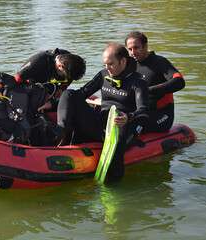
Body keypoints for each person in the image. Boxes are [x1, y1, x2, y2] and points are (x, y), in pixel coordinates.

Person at [57, 43, 149, 182]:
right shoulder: (103, 74)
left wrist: (128, 117)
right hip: (101, 123)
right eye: (105, 64)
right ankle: (62, 137)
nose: (107, 68)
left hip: (121, 126)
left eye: (111, 64)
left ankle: (113, 184)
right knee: (69, 94)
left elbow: (144, 110)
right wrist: (51, 104)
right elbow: (81, 93)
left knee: (119, 120)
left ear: (123, 61)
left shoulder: (138, 82)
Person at [0, 48, 86, 111]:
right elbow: (17, 79)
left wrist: (62, 89)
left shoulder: (70, 61)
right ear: (60, 66)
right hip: (28, 86)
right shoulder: (38, 62)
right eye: (66, 75)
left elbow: (70, 78)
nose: (67, 78)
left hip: (46, 87)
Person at [125, 31, 185, 132]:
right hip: (139, 112)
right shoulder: (129, 65)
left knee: (130, 126)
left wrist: (148, 90)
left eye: (136, 48)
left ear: (145, 46)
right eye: (130, 49)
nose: (133, 52)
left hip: (162, 115)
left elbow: (179, 82)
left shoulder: (159, 62)